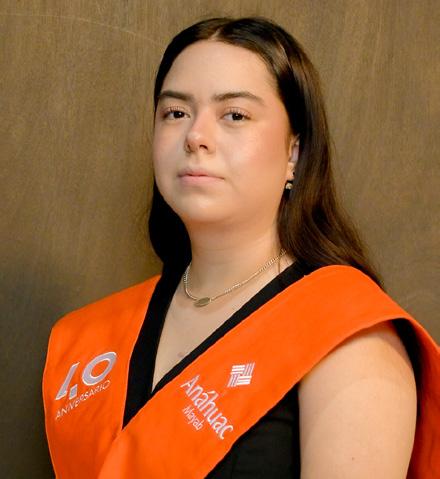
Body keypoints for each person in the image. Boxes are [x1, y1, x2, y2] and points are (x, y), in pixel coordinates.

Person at [42, 17, 439, 478]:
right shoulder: (94, 337)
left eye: (234, 115)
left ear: (294, 152)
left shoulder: (348, 334)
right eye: (176, 113)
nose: (196, 136)